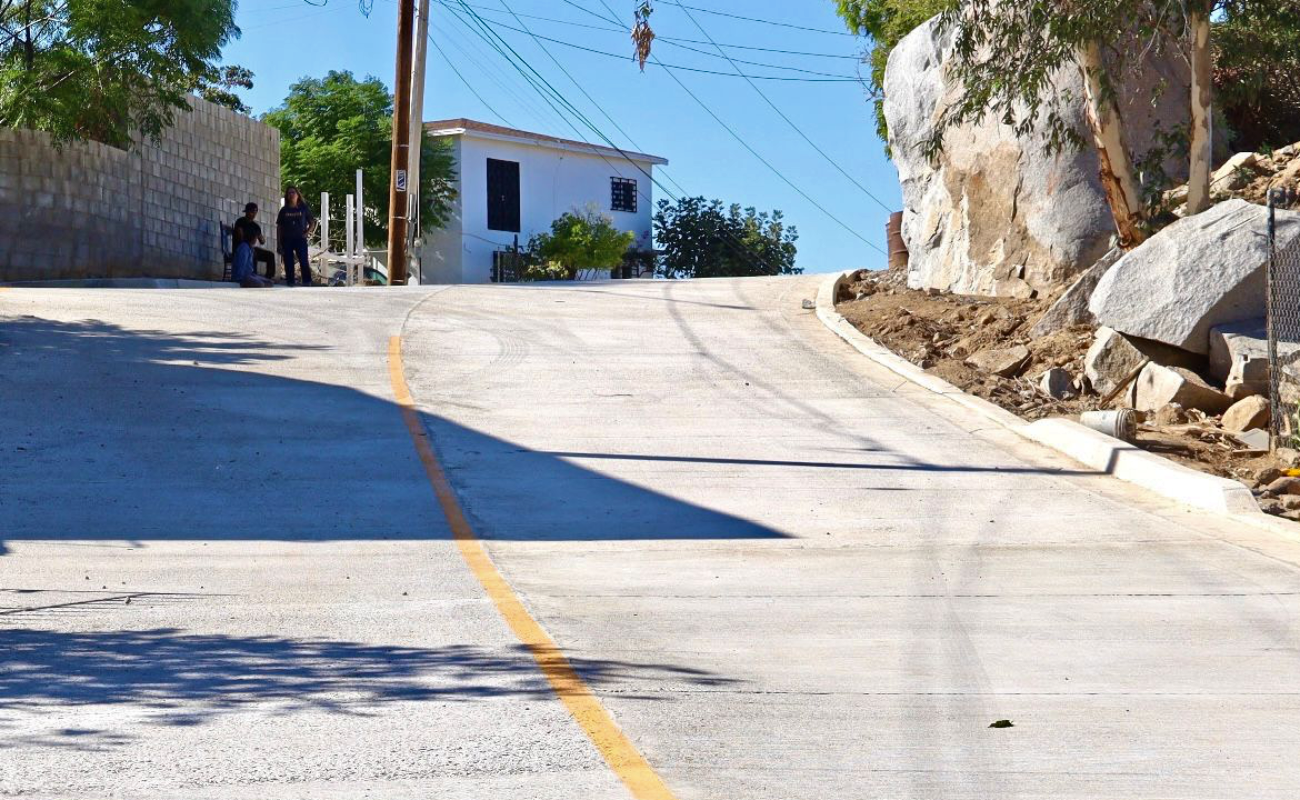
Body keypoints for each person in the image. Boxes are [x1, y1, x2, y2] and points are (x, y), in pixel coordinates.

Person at [277, 186, 316, 287]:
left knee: (303, 260)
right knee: (288, 261)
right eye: (289, 193)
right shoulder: (284, 210)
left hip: (300, 239)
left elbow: (312, 222)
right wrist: (279, 243)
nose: (291, 194)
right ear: (287, 196)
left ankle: (307, 281)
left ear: (298, 195)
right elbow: (279, 227)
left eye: (293, 192)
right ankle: (290, 282)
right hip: (287, 239)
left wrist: (306, 233)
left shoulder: (303, 208)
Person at [233, 203, 275, 280]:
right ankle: (247, 276)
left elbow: (262, 241)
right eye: (252, 212)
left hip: (251, 247)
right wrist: (251, 241)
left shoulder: (256, 226)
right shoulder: (240, 221)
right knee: (249, 249)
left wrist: (259, 237)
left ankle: (269, 277)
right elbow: (240, 237)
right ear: (246, 212)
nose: (253, 214)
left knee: (270, 255)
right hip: (241, 247)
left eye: (255, 212)